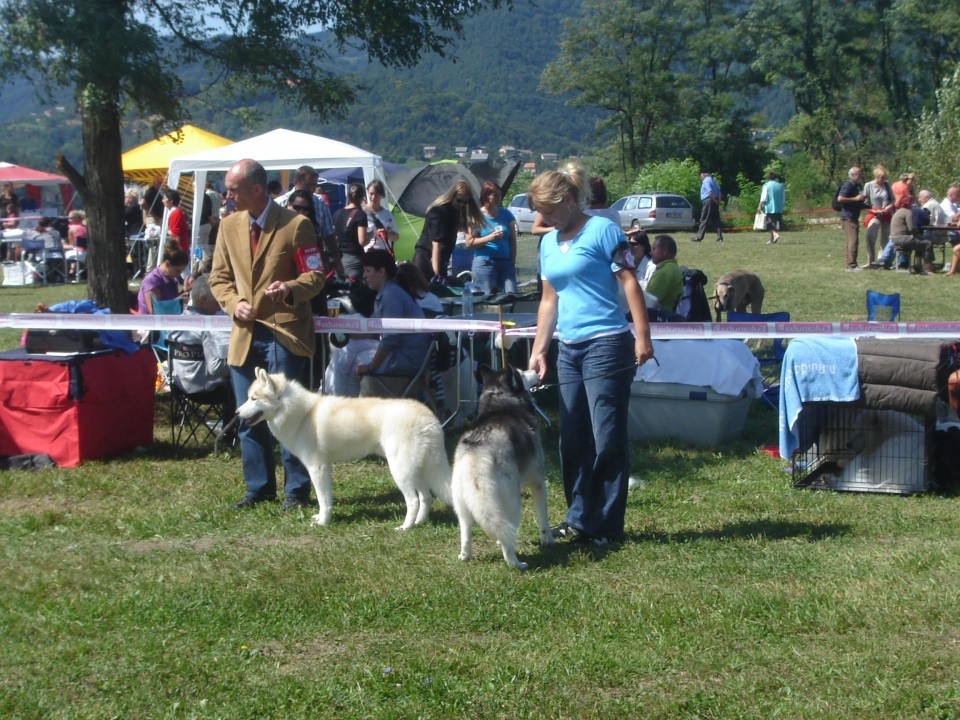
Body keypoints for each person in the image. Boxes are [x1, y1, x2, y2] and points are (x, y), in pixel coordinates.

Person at [525, 161, 654, 546]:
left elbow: (629, 282)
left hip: (607, 344)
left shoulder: (603, 230)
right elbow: (549, 300)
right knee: (573, 438)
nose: (542, 219)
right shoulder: (548, 243)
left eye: (547, 211)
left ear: (567, 200)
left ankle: (608, 525)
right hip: (569, 347)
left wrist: (642, 336)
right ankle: (579, 519)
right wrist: (539, 350)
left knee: (607, 437)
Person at [209, 158, 326, 511]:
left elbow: (315, 277)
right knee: (249, 415)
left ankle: (297, 492)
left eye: (232, 190)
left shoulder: (296, 225)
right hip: (245, 335)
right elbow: (218, 278)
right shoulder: (227, 226)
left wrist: (289, 287)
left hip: (285, 333)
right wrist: (233, 304)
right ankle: (258, 489)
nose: (227, 196)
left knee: (290, 416)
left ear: (256, 189)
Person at [357, 249, 433, 397]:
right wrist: (347, 335)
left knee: (349, 356)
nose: (364, 276)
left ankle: (339, 404)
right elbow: (372, 330)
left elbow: (390, 338)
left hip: (404, 361)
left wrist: (371, 367)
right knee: (350, 348)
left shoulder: (391, 295)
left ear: (381, 272)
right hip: (404, 356)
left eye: (367, 271)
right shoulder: (389, 292)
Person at [166, 274, 231, 396]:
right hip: (206, 390)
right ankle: (235, 415)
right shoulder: (207, 327)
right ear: (203, 300)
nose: (219, 307)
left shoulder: (175, 323)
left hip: (179, 386)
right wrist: (236, 364)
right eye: (216, 301)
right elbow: (216, 369)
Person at [412, 179, 483, 284]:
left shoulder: (456, 213)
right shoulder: (439, 212)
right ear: (452, 196)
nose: (462, 205)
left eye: (465, 202)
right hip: (425, 260)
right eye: (459, 200)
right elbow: (436, 244)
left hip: (440, 260)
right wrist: (436, 274)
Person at [275, 165, 341, 276]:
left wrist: (337, 259)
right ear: (296, 182)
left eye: (314, 185)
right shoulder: (280, 204)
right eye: (308, 185)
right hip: (287, 264)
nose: (311, 189)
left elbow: (328, 233)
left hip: (313, 261)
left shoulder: (319, 202)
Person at [468, 180, 518, 294]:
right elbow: (469, 242)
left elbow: (512, 240)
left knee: (512, 295)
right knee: (488, 298)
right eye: (495, 195)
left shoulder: (506, 214)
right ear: (485, 196)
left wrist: (512, 260)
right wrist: (489, 238)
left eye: (499, 195)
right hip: (485, 262)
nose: (498, 198)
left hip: (505, 262)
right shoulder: (477, 216)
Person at [889, 195, 934, 275]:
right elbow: (911, 229)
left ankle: (918, 266)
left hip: (894, 239)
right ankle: (928, 268)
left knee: (921, 243)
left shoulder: (899, 211)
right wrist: (917, 235)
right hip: (902, 239)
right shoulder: (908, 212)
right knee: (928, 243)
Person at [137, 245, 188, 315]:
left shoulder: (172, 279)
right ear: (167, 264)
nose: (179, 275)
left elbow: (169, 300)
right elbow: (155, 311)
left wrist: (185, 290)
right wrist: (179, 300)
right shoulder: (152, 281)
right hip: (149, 324)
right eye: (177, 271)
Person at [332, 182, 368, 280]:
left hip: (339, 258)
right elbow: (362, 241)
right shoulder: (361, 215)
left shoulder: (337, 213)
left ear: (348, 196)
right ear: (362, 198)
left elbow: (333, 236)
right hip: (354, 259)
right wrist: (371, 234)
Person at [862, 165, 894, 266]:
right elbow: (864, 202)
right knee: (870, 234)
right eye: (881, 177)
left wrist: (888, 208)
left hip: (886, 214)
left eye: (884, 177)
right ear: (876, 176)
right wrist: (873, 210)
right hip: (874, 214)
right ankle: (870, 260)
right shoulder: (868, 185)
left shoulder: (887, 185)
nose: (882, 179)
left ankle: (882, 260)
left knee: (886, 237)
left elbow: (893, 200)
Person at [837, 166, 866, 271]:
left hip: (852, 216)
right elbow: (840, 198)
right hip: (849, 216)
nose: (861, 175)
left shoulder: (855, 185)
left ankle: (850, 263)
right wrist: (855, 198)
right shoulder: (848, 184)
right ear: (853, 175)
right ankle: (851, 265)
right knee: (853, 240)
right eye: (859, 174)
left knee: (850, 241)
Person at [645, 234, 683, 311]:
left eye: (654, 249)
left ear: (664, 251)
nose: (650, 253)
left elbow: (647, 301)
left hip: (657, 318)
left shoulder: (665, 272)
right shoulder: (673, 267)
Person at [364, 179, 399, 252]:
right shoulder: (362, 212)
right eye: (371, 193)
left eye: (376, 194)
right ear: (367, 192)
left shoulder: (386, 213)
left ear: (381, 195)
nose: (373, 197)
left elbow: (396, 237)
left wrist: (385, 233)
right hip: (368, 254)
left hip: (384, 253)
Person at [692, 169, 723, 242]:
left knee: (703, 219)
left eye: (700, 175)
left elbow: (710, 192)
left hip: (708, 201)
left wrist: (714, 200)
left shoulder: (706, 181)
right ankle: (720, 237)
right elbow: (719, 192)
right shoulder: (713, 181)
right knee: (716, 220)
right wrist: (718, 201)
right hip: (714, 200)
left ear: (704, 174)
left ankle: (699, 237)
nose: (700, 177)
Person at [758, 171, 786, 244]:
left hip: (770, 207)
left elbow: (764, 197)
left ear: (768, 178)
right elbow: (783, 198)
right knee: (775, 224)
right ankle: (772, 239)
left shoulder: (766, 185)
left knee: (769, 224)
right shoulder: (780, 186)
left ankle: (775, 234)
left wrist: (760, 205)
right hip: (778, 207)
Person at [162, 189, 189, 254]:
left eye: (164, 198)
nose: (162, 200)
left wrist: (174, 252)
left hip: (179, 249)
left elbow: (176, 235)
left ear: (171, 201)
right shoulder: (173, 212)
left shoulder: (176, 213)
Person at [64, 210, 88, 279]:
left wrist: (63, 244)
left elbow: (71, 245)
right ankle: (73, 271)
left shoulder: (72, 229)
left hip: (79, 253)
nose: (68, 219)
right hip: (88, 253)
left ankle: (67, 274)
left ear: (76, 218)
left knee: (63, 252)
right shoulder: (86, 227)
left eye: (70, 218)